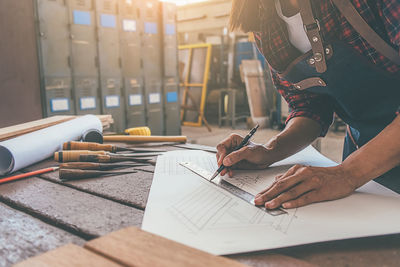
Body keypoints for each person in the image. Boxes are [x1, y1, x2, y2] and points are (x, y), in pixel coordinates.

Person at [216, 0, 400, 210]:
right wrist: (270, 151)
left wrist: (348, 174)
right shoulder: (265, 19)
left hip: (359, 167)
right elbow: (309, 106)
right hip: (364, 157)